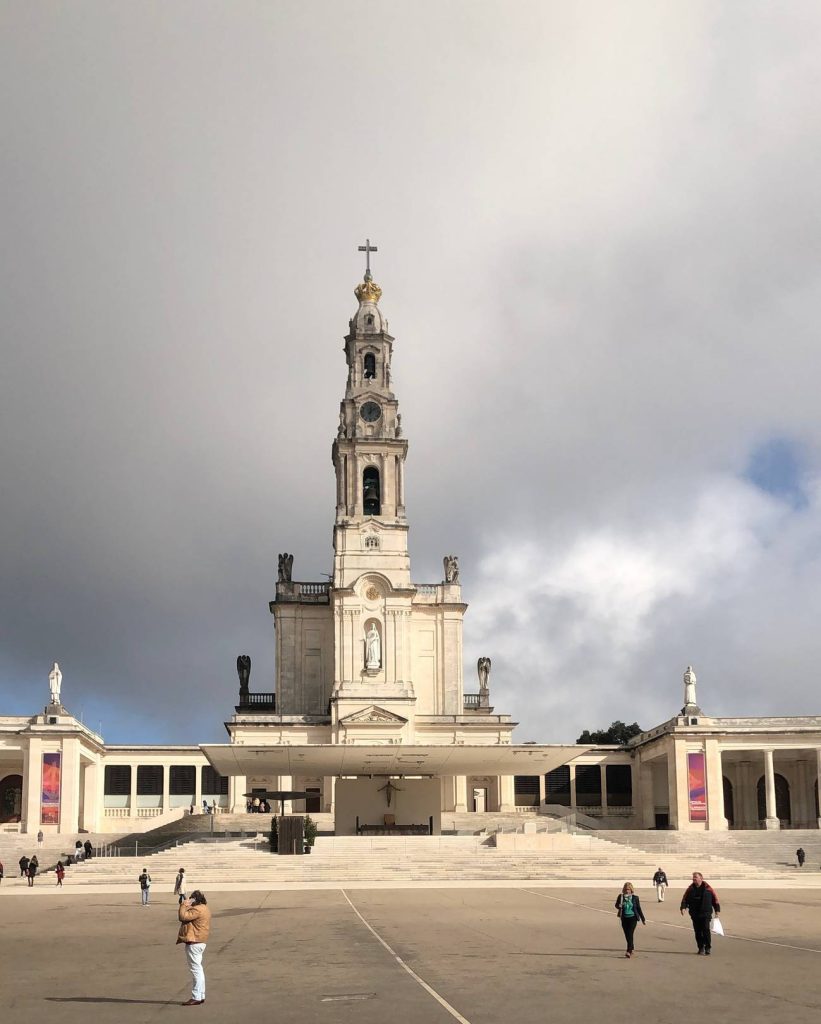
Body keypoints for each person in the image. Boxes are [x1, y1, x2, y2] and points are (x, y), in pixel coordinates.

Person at [177, 890, 211, 1006]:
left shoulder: (197, 909)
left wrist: (183, 905)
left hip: (194, 941)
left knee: (196, 970)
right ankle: (201, 995)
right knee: (199, 969)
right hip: (201, 941)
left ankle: (196, 996)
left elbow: (183, 917)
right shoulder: (205, 908)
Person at [680, 872, 721, 955]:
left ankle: (708, 947)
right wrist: (683, 907)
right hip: (695, 913)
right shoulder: (690, 889)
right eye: (693, 877)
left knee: (706, 929)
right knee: (698, 931)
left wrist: (717, 911)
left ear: (701, 878)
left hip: (706, 912)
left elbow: (715, 900)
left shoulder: (708, 889)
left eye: (695, 877)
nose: (694, 879)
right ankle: (701, 947)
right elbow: (684, 899)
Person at [614, 882, 646, 958]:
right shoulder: (621, 897)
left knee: (630, 933)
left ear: (631, 890)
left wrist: (643, 919)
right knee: (627, 934)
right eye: (625, 889)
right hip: (624, 918)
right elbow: (616, 905)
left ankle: (629, 950)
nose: (627, 891)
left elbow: (638, 908)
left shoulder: (635, 898)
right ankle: (632, 948)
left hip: (633, 918)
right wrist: (619, 906)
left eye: (628, 889)